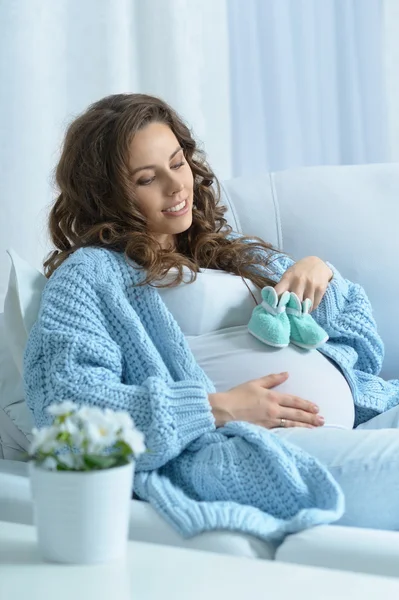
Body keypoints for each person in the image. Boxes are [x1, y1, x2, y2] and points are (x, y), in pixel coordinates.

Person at [24, 94, 399, 542]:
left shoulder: (228, 250)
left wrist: (322, 275)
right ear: (106, 195)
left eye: (177, 163)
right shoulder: (90, 274)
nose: (176, 187)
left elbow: (362, 344)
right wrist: (215, 408)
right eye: (148, 179)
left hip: (360, 414)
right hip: (252, 452)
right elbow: (68, 413)